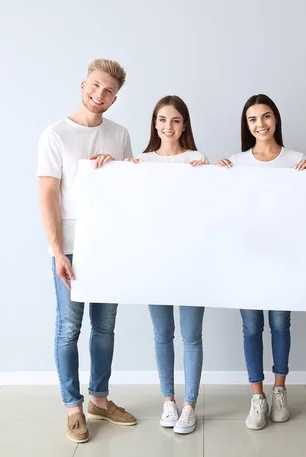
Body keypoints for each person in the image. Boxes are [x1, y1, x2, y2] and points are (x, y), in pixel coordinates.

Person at [36, 58, 137, 444]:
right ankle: (73, 408)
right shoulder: (55, 135)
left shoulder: (120, 134)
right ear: (83, 85)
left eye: (109, 91)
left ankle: (99, 398)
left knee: (105, 328)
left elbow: (130, 193)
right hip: (73, 250)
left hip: (110, 248)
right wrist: (58, 252)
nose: (100, 95)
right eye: (95, 86)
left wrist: (114, 168)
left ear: (116, 98)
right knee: (69, 328)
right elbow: (48, 196)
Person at [216, 94, 306, 430]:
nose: (261, 124)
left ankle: (280, 390)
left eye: (266, 116)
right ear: (247, 125)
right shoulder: (236, 162)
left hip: (284, 261)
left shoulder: (296, 159)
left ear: (276, 120)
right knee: (251, 328)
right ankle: (257, 396)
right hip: (247, 261)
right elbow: (222, 208)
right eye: (253, 119)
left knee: (281, 325)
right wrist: (216, 175)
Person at [125, 95, 208, 434]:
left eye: (175, 120)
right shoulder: (141, 162)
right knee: (162, 335)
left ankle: (190, 405)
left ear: (184, 124)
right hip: (154, 262)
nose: (168, 126)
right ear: (154, 123)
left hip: (191, 262)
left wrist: (211, 176)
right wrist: (121, 173)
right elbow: (129, 208)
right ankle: (168, 401)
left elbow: (211, 209)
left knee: (191, 336)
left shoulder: (198, 160)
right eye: (162, 119)